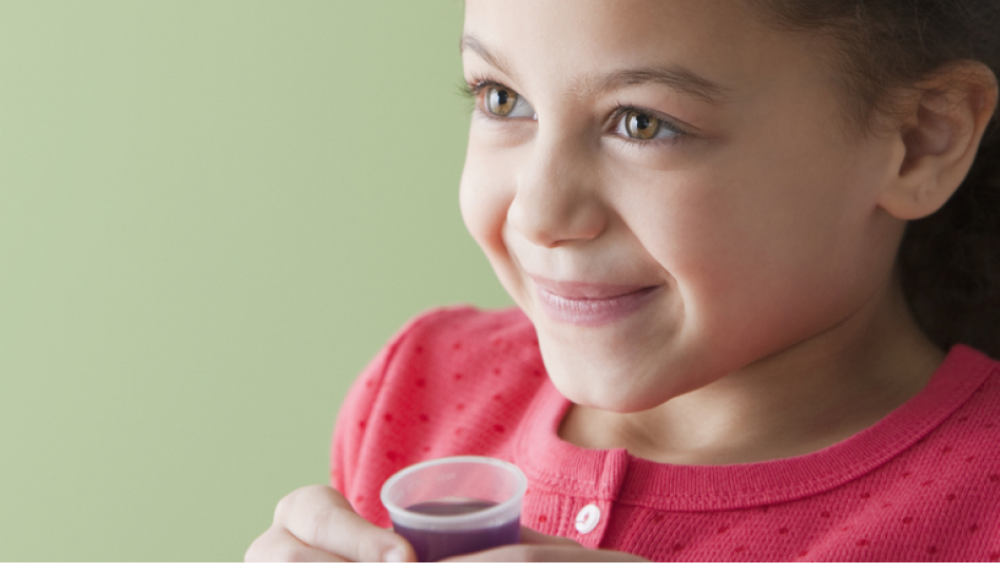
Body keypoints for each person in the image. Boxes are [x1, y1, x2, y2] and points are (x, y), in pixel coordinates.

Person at [246, 0, 1000, 561]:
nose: (541, 213)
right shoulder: (423, 388)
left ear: (919, 140)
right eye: (501, 98)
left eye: (642, 122)